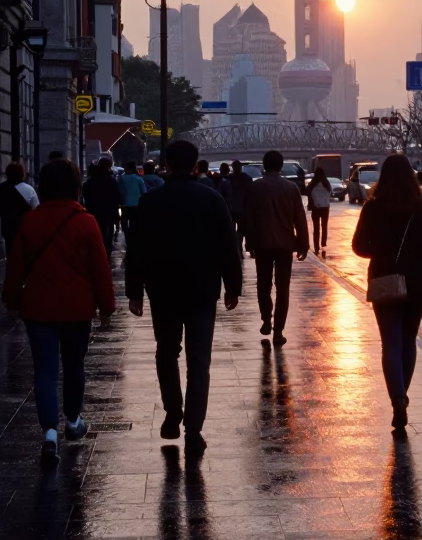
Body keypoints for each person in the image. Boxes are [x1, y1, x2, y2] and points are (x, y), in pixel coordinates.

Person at [126, 140, 242, 455]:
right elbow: (228, 247)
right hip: (203, 290)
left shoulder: (151, 201)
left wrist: (134, 291)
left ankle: (172, 411)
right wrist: (233, 286)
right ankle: (193, 427)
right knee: (199, 359)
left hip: (162, 289)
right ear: (195, 164)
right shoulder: (212, 199)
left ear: (165, 163)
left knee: (166, 352)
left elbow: (136, 250)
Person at [3, 157, 115, 465]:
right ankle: (74, 421)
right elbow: (100, 270)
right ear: (76, 187)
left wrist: (11, 300)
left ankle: (49, 433)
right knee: (75, 365)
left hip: (38, 308)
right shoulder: (86, 222)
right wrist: (106, 307)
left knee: (45, 371)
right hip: (77, 308)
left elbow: (16, 267)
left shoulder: (31, 221)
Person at [352, 154, 422, 433]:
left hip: (384, 278)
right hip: (418, 280)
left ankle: (397, 397)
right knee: (408, 342)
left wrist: (382, 252)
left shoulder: (373, 207)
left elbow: (358, 246)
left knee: (390, 344)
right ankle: (401, 397)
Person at [243, 150, 309, 346]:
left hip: (263, 244)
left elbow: (248, 218)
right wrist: (303, 244)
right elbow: (300, 219)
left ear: (264, 166)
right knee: (283, 288)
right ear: (281, 166)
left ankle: (266, 319)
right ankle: (278, 331)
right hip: (284, 245)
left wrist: (250, 242)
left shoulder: (256, 188)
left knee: (263, 285)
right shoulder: (291, 188)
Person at [0, 162, 40, 257]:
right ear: (23, 174)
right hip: (25, 227)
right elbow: (36, 209)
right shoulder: (29, 189)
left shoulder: (0, 188)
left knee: (11, 253)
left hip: (8, 227)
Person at [82, 154, 121, 256]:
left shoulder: (90, 182)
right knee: (107, 238)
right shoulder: (112, 181)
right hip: (108, 214)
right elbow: (117, 199)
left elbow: (85, 197)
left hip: (93, 213)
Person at [227, 159, 253, 256]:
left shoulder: (228, 179)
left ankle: (236, 249)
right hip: (243, 207)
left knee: (232, 230)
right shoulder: (247, 178)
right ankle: (246, 248)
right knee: (243, 230)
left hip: (231, 208)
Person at [116, 160, 147, 240]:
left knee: (125, 223)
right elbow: (144, 191)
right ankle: (134, 239)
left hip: (124, 204)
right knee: (135, 223)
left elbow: (119, 191)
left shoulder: (121, 178)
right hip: (136, 205)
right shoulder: (139, 179)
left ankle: (127, 238)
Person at [306, 167, 333, 253]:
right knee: (324, 226)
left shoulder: (312, 183)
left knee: (316, 227)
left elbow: (307, 192)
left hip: (316, 208)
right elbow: (330, 193)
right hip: (325, 207)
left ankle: (316, 246)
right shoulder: (326, 183)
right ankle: (323, 242)